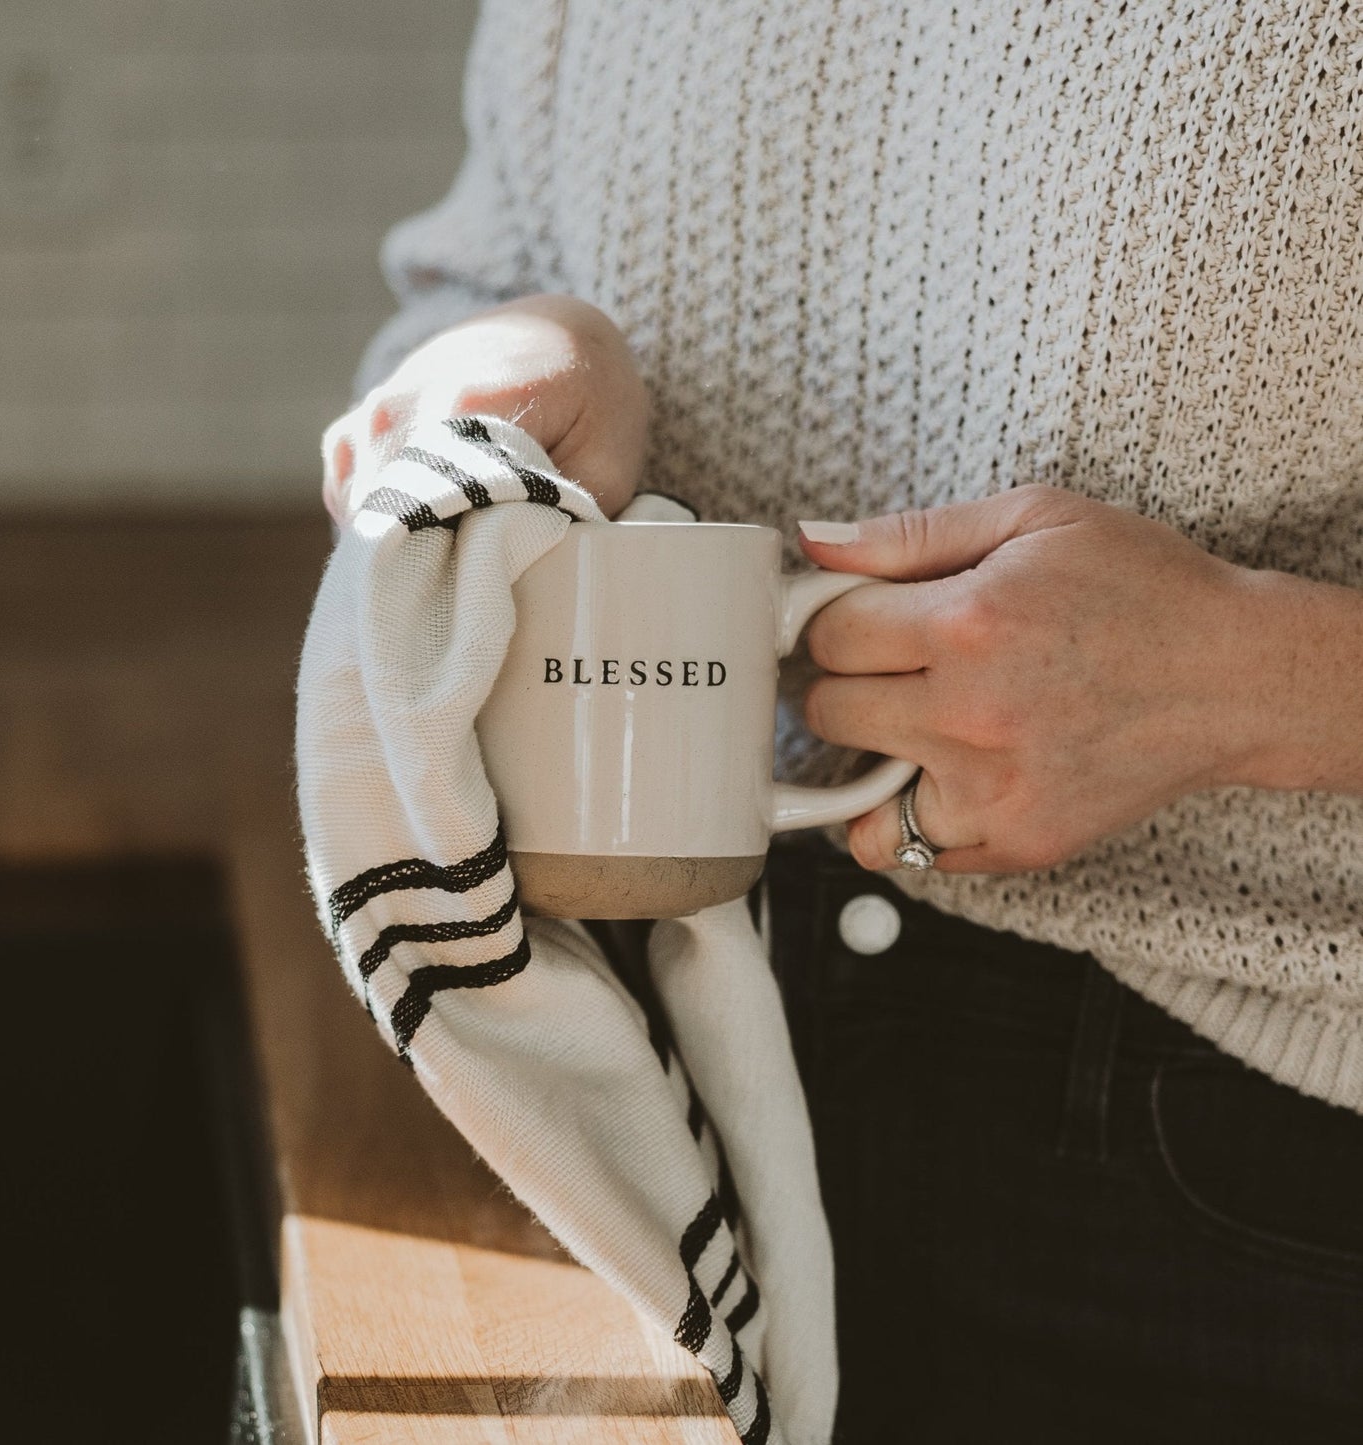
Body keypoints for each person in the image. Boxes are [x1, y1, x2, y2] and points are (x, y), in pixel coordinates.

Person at [321, 2, 1363, 1438]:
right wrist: (512, 355)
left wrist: (1254, 680)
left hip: (1234, 1184)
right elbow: (468, 273)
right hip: (611, 1065)